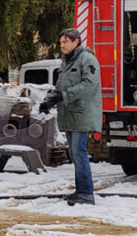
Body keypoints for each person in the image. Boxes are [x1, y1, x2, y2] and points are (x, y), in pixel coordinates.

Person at [39, 28, 102, 206]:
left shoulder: (87, 59)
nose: (62, 45)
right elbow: (60, 86)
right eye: (61, 42)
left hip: (82, 114)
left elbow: (89, 85)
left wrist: (63, 96)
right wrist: (48, 102)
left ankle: (87, 194)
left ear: (76, 42)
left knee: (79, 153)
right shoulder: (66, 61)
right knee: (75, 154)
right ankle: (81, 191)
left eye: (65, 41)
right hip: (70, 115)